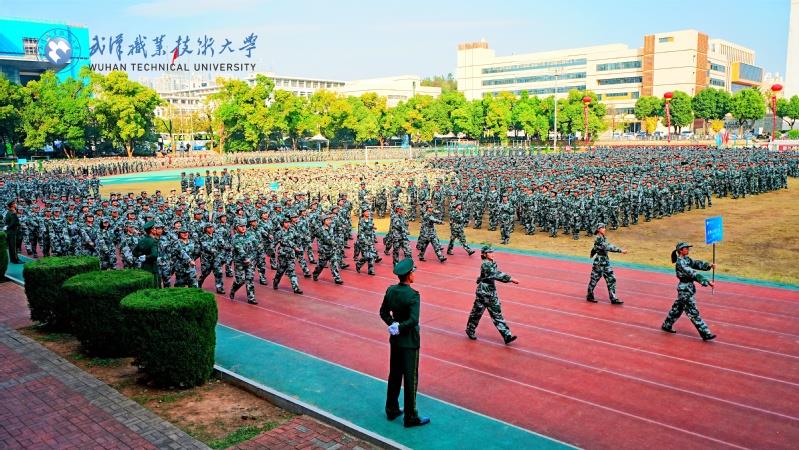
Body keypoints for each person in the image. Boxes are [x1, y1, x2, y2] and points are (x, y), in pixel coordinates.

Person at [379, 258, 430, 428]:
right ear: (409, 275)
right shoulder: (413, 295)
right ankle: (411, 416)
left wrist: (393, 324)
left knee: (394, 375)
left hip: (395, 341)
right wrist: (400, 327)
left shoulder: (391, 290)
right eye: (413, 272)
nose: (414, 274)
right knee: (410, 379)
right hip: (409, 342)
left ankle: (391, 409)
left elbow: (383, 312)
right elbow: (414, 320)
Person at [661, 242, 717, 341]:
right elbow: (692, 273)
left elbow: (695, 263)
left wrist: (708, 265)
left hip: (687, 288)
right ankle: (706, 333)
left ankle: (667, 325)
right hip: (685, 290)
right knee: (693, 312)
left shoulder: (686, 259)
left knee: (677, 309)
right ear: (680, 251)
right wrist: (706, 281)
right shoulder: (680, 263)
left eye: (688, 248)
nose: (688, 249)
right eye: (686, 248)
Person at [466, 245, 518, 344]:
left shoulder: (491, 262)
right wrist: (510, 279)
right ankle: (470, 330)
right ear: (484, 254)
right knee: (477, 313)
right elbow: (495, 274)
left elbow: (487, 275)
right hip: (483, 293)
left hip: (491, 291)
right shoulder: (486, 264)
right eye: (489, 252)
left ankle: (507, 336)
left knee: (497, 313)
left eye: (492, 252)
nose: (492, 254)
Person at [586, 223, 626, 304]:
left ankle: (613, 298)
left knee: (612, 279)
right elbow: (608, 247)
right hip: (599, 263)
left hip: (606, 263)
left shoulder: (603, 238)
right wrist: (620, 250)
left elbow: (595, 248)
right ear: (598, 229)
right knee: (594, 280)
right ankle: (589, 295)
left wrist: (592, 253)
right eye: (603, 228)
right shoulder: (598, 238)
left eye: (604, 228)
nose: (604, 229)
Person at [133, 221, 161, 287]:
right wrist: (146, 257)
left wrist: (140, 256)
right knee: (154, 286)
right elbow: (154, 255)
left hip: (144, 266)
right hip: (152, 267)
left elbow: (134, 252)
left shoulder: (142, 240)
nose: (155, 229)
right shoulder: (153, 241)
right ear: (151, 230)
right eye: (154, 228)